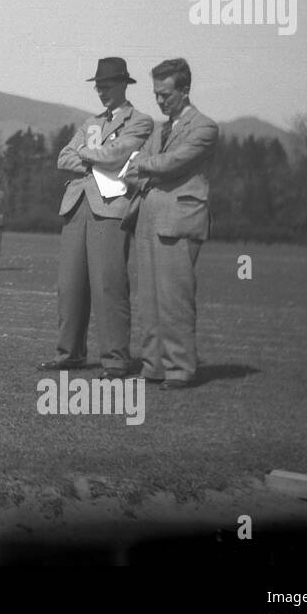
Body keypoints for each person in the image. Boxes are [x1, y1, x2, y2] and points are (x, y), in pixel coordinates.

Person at [40, 58, 154, 377]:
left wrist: (88, 155)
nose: (101, 92)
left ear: (123, 85)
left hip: (111, 207)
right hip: (77, 205)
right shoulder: (90, 123)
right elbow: (64, 156)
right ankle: (69, 354)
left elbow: (118, 155)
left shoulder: (140, 121)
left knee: (108, 284)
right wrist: (98, 160)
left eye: (106, 86)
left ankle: (115, 359)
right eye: (98, 86)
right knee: (69, 285)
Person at [123, 58, 218, 390]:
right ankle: (154, 366)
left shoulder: (205, 128)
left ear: (185, 90)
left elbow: (170, 163)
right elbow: (140, 166)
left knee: (174, 298)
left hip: (179, 220)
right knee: (148, 299)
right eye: (156, 94)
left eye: (165, 94)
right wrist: (145, 167)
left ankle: (179, 369)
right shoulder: (160, 129)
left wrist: (144, 167)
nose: (160, 101)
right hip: (147, 217)